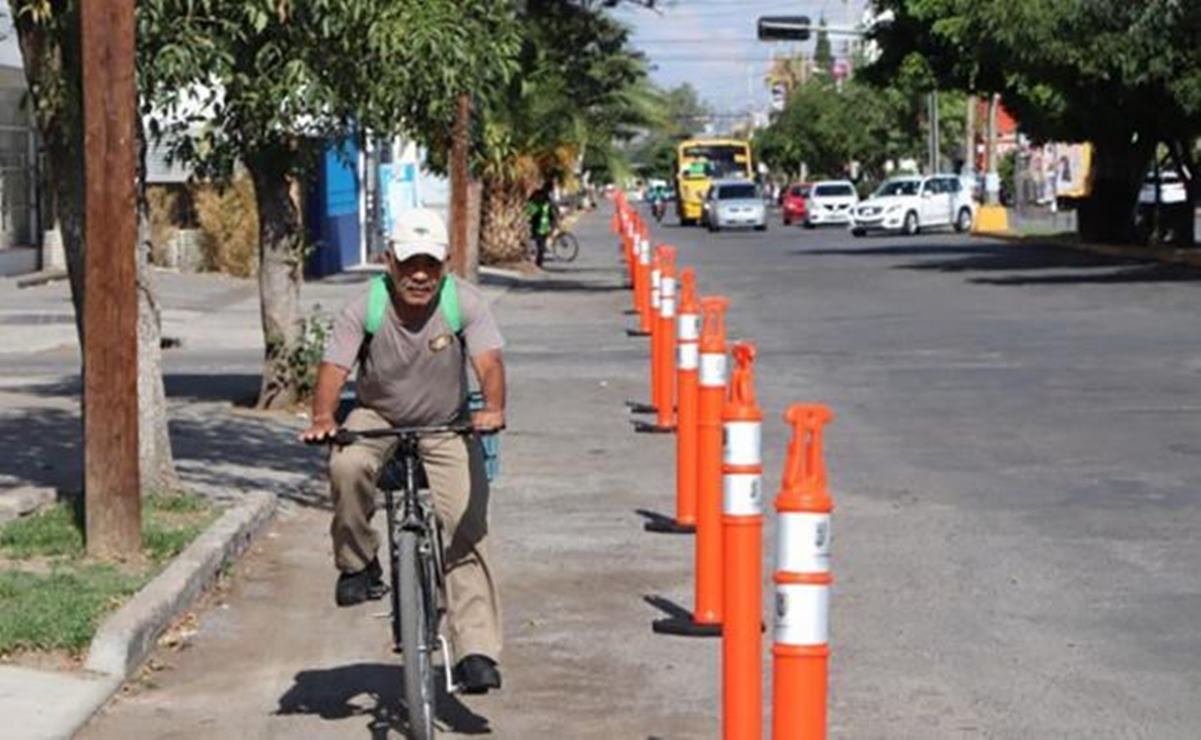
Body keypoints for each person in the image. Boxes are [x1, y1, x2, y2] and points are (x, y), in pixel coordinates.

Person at [300, 208, 506, 694]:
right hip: (378, 417)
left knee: (465, 523)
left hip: (447, 423)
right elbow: (334, 367)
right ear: (388, 261)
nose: (420, 275)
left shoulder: (463, 302)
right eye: (409, 263)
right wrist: (323, 418)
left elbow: (489, 363)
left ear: (445, 265)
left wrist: (493, 408)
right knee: (347, 465)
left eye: (430, 265)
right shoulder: (365, 307)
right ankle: (358, 563)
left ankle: (476, 649)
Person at [527, 184, 556, 267]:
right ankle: (538, 261)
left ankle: (539, 261)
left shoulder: (544, 203)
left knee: (540, 244)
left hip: (542, 226)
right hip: (540, 226)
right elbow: (530, 212)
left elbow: (551, 215)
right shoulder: (541, 202)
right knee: (540, 244)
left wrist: (552, 225)